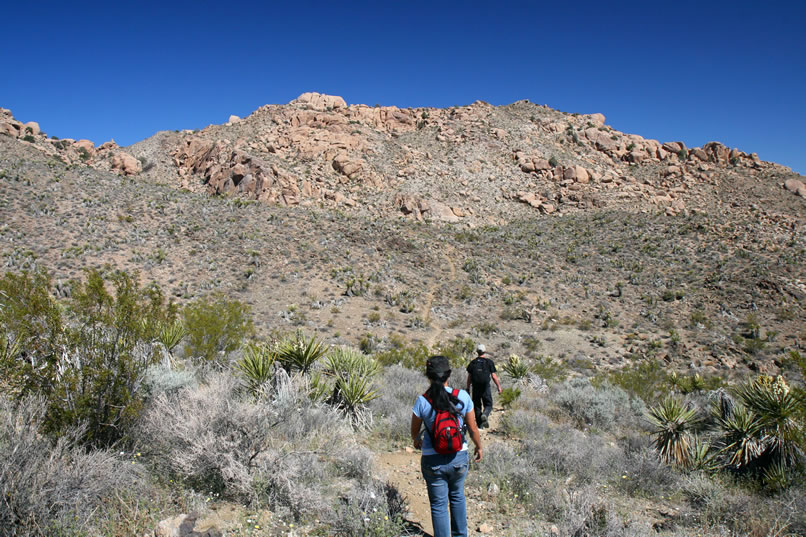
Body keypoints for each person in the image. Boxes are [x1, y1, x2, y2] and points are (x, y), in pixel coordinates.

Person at [411, 355, 482, 537]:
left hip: (432, 459)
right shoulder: (463, 397)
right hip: (458, 456)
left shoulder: (422, 401)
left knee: (439, 504)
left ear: (428, 375)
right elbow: (473, 428)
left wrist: (416, 441)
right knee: (457, 496)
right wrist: (478, 446)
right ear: (448, 374)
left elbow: (414, 430)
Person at [465, 344, 502, 429]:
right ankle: (485, 414)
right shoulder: (489, 362)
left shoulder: (473, 363)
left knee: (477, 405)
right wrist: (499, 386)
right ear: (485, 352)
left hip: (475, 387)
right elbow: (493, 376)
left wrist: (467, 388)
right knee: (488, 404)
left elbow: (469, 377)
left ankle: (480, 426)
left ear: (477, 352)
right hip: (485, 387)